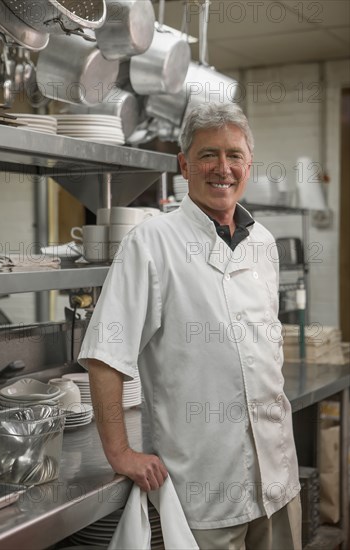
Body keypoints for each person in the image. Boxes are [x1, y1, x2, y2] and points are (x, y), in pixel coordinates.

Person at [78, 102, 302, 550]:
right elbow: (106, 354)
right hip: (204, 489)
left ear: (249, 164)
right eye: (208, 155)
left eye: (234, 155)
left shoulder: (263, 243)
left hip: (279, 476)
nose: (223, 168)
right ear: (184, 164)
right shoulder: (153, 241)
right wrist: (119, 452)